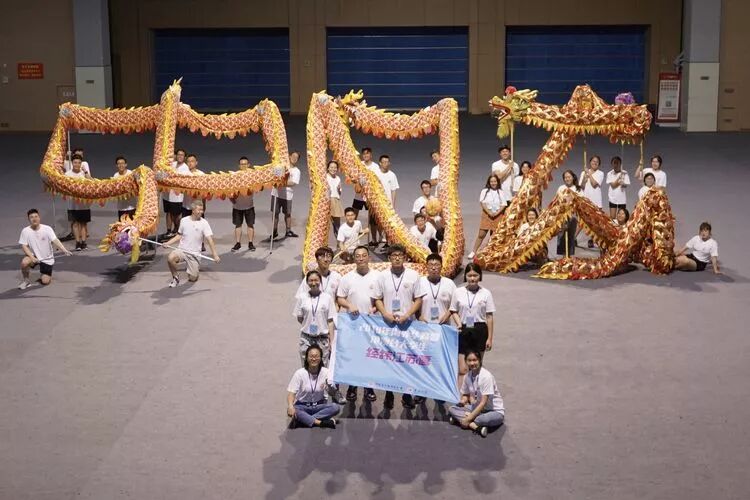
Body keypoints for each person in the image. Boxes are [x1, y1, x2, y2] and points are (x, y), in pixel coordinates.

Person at [372, 244, 426, 409]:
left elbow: (418, 299)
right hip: (388, 325)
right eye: (394, 255)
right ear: (389, 258)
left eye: (400, 255)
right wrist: (385, 313)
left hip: (407, 325)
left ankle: (406, 394)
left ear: (405, 257)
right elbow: (377, 298)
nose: (397, 258)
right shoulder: (382, 276)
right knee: (389, 360)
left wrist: (407, 315)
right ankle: (389, 393)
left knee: (407, 360)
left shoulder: (413, 275)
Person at [336, 245, 379, 402]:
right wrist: (349, 305)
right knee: (353, 356)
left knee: (369, 356)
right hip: (352, 324)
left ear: (369, 258)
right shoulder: (347, 278)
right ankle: (352, 386)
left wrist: (376, 308)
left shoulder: (378, 276)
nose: (361, 258)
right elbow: (340, 298)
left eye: (363, 255)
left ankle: (368, 387)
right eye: (358, 256)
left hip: (371, 324)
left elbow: (381, 298)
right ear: (354, 259)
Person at [450, 263, 496, 389]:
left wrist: (490, 338)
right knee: (463, 369)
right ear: (465, 276)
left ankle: (475, 394)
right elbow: (453, 310)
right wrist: (459, 323)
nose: (472, 278)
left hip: (479, 330)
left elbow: (489, 316)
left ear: (479, 276)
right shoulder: (458, 292)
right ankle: (461, 396)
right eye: (469, 275)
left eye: (475, 275)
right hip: (463, 330)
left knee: (475, 366)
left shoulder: (486, 293)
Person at [447, 349, 505, 438]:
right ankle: (476, 427)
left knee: (479, 419)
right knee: (452, 409)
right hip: (477, 408)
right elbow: (465, 395)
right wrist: (462, 402)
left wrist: (469, 417)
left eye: (475, 360)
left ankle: (464, 420)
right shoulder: (467, 376)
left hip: (494, 411)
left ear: (479, 360)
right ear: (466, 361)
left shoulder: (486, 376)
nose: (472, 363)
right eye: (469, 360)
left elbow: (483, 403)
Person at [164, 200, 220, 287]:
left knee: (193, 278)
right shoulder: (184, 220)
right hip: (182, 250)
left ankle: (191, 267)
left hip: (194, 254)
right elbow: (179, 235)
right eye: (199, 210)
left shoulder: (204, 223)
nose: (201, 212)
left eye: (202, 210)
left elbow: (210, 240)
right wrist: (168, 243)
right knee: (170, 258)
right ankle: (175, 277)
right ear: (193, 210)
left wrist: (215, 255)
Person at [286, 345, 340, 429]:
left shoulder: (326, 372)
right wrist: (290, 406)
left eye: (316, 356)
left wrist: (330, 387)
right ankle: (320, 422)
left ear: (321, 358)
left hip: (319, 406)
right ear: (307, 358)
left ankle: (303, 421)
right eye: (311, 356)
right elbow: (291, 393)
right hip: (302, 406)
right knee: (295, 409)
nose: (314, 359)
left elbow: (333, 393)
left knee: (335, 407)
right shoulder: (299, 373)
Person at [18, 209, 72, 289]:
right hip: (34, 256)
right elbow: (24, 246)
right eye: (31, 217)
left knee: (45, 281)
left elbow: (55, 240)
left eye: (36, 216)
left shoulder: (47, 229)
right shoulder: (25, 231)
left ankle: (44, 275)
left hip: (47, 259)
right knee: (24, 262)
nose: (34, 219)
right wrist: (32, 258)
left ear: (39, 218)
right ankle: (26, 281)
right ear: (29, 219)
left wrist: (64, 250)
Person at [293, 270, 337, 364]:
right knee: (306, 367)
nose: (313, 283)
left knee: (322, 368)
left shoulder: (327, 298)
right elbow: (300, 317)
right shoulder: (302, 297)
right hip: (306, 339)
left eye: (316, 280)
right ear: (307, 282)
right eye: (311, 280)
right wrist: (308, 324)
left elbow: (330, 321)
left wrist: (331, 341)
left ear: (320, 281)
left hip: (322, 339)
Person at [468, 174, 506, 260]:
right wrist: (489, 212)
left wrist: (496, 213)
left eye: (495, 181)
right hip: (487, 214)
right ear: (489, 182)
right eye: (491, 181)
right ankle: (473, 251)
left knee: (494, 236)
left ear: (497, 182)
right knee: (481, 234)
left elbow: (503, 204)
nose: (493, 183)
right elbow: (482, 203)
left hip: (498, 215)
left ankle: (491, 253)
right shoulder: (484, 191)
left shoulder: (500, 192)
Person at [61, 148, 92, 242]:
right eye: (75, 162)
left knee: (83, 223)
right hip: (72, 203)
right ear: (72, 162)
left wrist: (85, 172)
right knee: (74, 223)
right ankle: (77, 242)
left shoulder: (84, 169)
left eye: (79, 162)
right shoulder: (67, 173)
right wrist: (66, 155)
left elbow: (91, 181)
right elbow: (59, 163)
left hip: (83, 203)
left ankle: (83, 242)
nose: (77, 164)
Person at [370, 154, 399, 250]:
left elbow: (393, 190)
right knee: (374, 221)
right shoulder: (375, 173)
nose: (386, 164)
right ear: (380, 163)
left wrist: (392, 204)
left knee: (387, 224)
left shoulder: (392, 175)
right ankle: (374, 240)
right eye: (384, 162)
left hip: (387, 204)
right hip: (376, 202)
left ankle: (388, 242)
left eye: (387, 162)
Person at [271, 151, 301, 239]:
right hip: (276, 194)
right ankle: (274, 231)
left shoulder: (297, 171)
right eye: (293, 156)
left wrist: (281, 182)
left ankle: (288, 231)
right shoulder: (280, 167)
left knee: (287, 214)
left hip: (287, 195)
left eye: (296, 158)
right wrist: (279, 181)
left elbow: (293, 183)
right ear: (289, 156)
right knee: (275, 214)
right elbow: (275, 179)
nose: (294, 158)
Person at [230, 156, 256, 252]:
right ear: (239, 166)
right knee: (238, 225)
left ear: (248, 165)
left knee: (250, 225)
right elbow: (229, 188)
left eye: (245, 164)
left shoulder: (253, 175)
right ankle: (238, 243)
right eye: (242, 164)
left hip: (249, 206)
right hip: (237, 206)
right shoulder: (235, 176)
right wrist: (231, 199)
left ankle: (250, 243)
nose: (243, 166)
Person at [579, 155, 604, 248]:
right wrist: (584, 179)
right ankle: (573, 239)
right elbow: (581, 187)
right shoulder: (583, 173)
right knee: (582, 221)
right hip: (586, 200)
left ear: (599, 164)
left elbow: (594, 184)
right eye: (593, 161)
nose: (595, 163)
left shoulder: (600, 173)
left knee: (596, 223)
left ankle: (592, 240)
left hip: (596, 201)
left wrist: (589, 174)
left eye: (597, 162)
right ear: (590, 162)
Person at [163, 149, 188, 238]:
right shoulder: (172, 165)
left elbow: (179, 181)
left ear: (184, 157)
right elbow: (165, 174)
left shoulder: (185, 168)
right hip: (167, 195)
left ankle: (178, 229)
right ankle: (169, 231)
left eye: (182, 155)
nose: (180, 156)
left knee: (176, 215)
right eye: (178, 154)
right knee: (168, 213)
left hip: (177, 197)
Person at [556, 170, 580, 257]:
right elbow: (557, 201)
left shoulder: (577, 189)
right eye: (565, 177)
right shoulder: (561, 188)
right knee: (561, 235)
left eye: (569, 177)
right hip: (562, 215)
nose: (567, 179)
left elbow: (580, 203)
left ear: (573, 177)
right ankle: (563, 256)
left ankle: (569, 256)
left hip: (573, 216)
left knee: (570, 236)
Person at [352, 147, 378, 219]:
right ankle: (354, 226)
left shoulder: (375, 166)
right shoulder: (359, 164)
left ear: (371, 155)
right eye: (364, 154)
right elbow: (353, 177)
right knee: (354, 213)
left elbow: (377, 181)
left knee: (371, 216)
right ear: (362, 155)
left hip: (370, 195)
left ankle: (370, 226)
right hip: (359, 194)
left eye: (367, 153)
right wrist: (356, 183)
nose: (366, 155)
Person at [181, 153, 206, 218]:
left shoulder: (201, 175)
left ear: (196, 162)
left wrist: (204, 204)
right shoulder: (183, 175)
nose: (190, 163)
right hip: (186, 206)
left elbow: (204, 192)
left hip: (198, 206)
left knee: (199, 223)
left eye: (192, 161)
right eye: (188, 161)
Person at [112, 156, 136, 221]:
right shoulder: (115, 176)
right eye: (119, 164)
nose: (121, 165)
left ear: (126, 164)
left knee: (131, 226)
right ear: (116, 165)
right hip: (121, 208)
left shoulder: (130, 173)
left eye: (122, 163)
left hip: (131, 207)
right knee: (122, 226)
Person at [606, 156, 630, 220]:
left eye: (618, 163)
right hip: (612, 198)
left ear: (620, 164)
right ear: (612, 164)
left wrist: (623, 184)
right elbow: (613, 186)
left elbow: (625, 185)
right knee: (612, 217)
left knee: (621, 218)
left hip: (621, 198)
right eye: (614, 163)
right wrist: (619, 178)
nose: (616, 165)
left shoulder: (624, 173)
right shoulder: (609, 174)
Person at [327, 160, 344, 237]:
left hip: (336, 200)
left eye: (335, 167)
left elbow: (339, 193)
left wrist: (339, 189)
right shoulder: (325, 177)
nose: (333, 169)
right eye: (331, 167)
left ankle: (339, 241)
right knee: (325, 223)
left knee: (337, 224)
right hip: (327, 200)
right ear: (328, 168)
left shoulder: (338, 178)